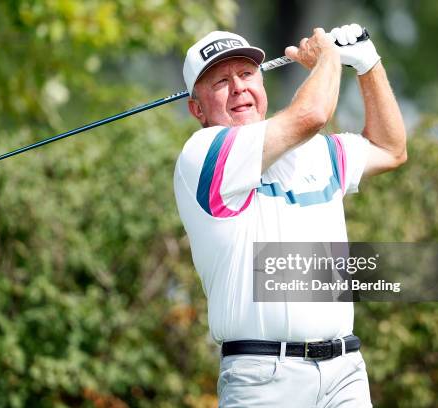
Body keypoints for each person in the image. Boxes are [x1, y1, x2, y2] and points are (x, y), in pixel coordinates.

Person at [173, 23, 406, 408]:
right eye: (220, 82)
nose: (238, 88)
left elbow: (390, 148)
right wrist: (328, 57)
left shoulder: (316, 152)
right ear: (197, 109)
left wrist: (368, 64)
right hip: (264, 379)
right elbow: (312, 113)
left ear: (262, 84)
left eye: (247, 74)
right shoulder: (202, 154)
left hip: (345, 372)